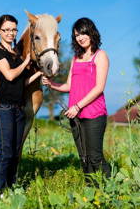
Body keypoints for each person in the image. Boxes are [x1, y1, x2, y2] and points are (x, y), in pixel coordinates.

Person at [42, 17, 111, 180]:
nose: (80, 37)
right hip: (76, 115)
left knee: (95, 157)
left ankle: (110, 189)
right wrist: (52, 84)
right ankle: (91, 192)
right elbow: (69, 86)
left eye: (83, 33)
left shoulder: (100, 56)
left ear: (91, 32)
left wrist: (78, 106)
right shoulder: (75, 58)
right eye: (76, 35)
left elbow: (99, 87)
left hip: (94, 114)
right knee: (84, 159)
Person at [0, 14, 42, 193]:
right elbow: (10, 75)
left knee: (15, 153)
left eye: (13, 29)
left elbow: (22, 83)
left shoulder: (16, 56)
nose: (11, 33)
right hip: (2, 108)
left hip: (18, 110)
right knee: (5, 152)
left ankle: (11, 189)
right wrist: (26, 62)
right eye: (6, 30)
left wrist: (40, 74)